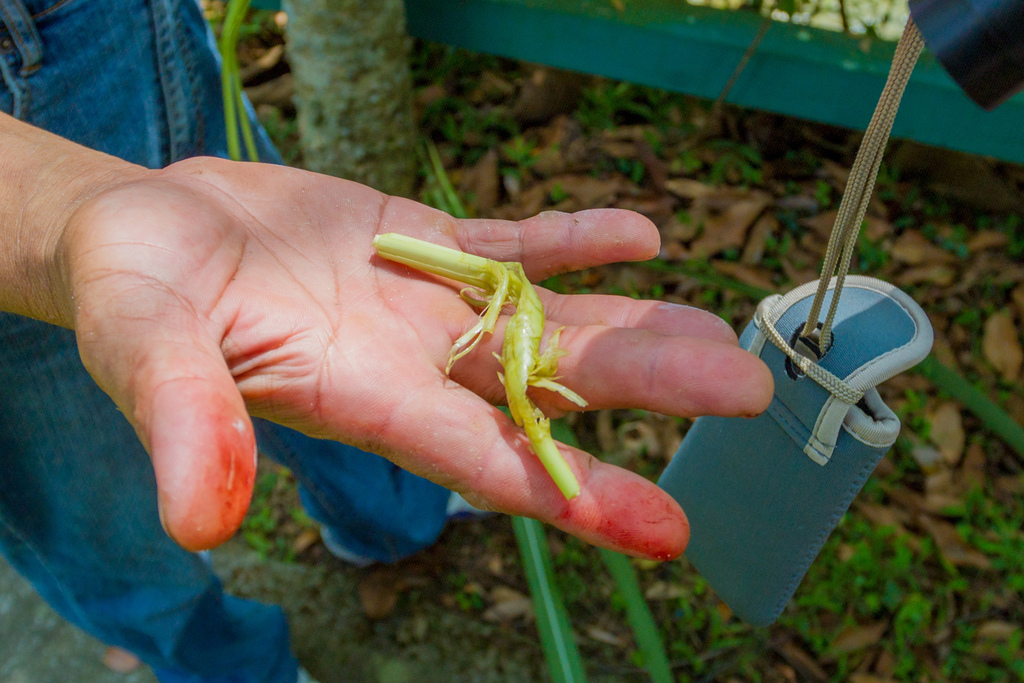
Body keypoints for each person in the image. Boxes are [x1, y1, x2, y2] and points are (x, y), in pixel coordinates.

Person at [0, 0, 773, 680]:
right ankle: (222, 666)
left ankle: (391, 522)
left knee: (335, 350)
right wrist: (56, 213)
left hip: (117, 24)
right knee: (95, 522)